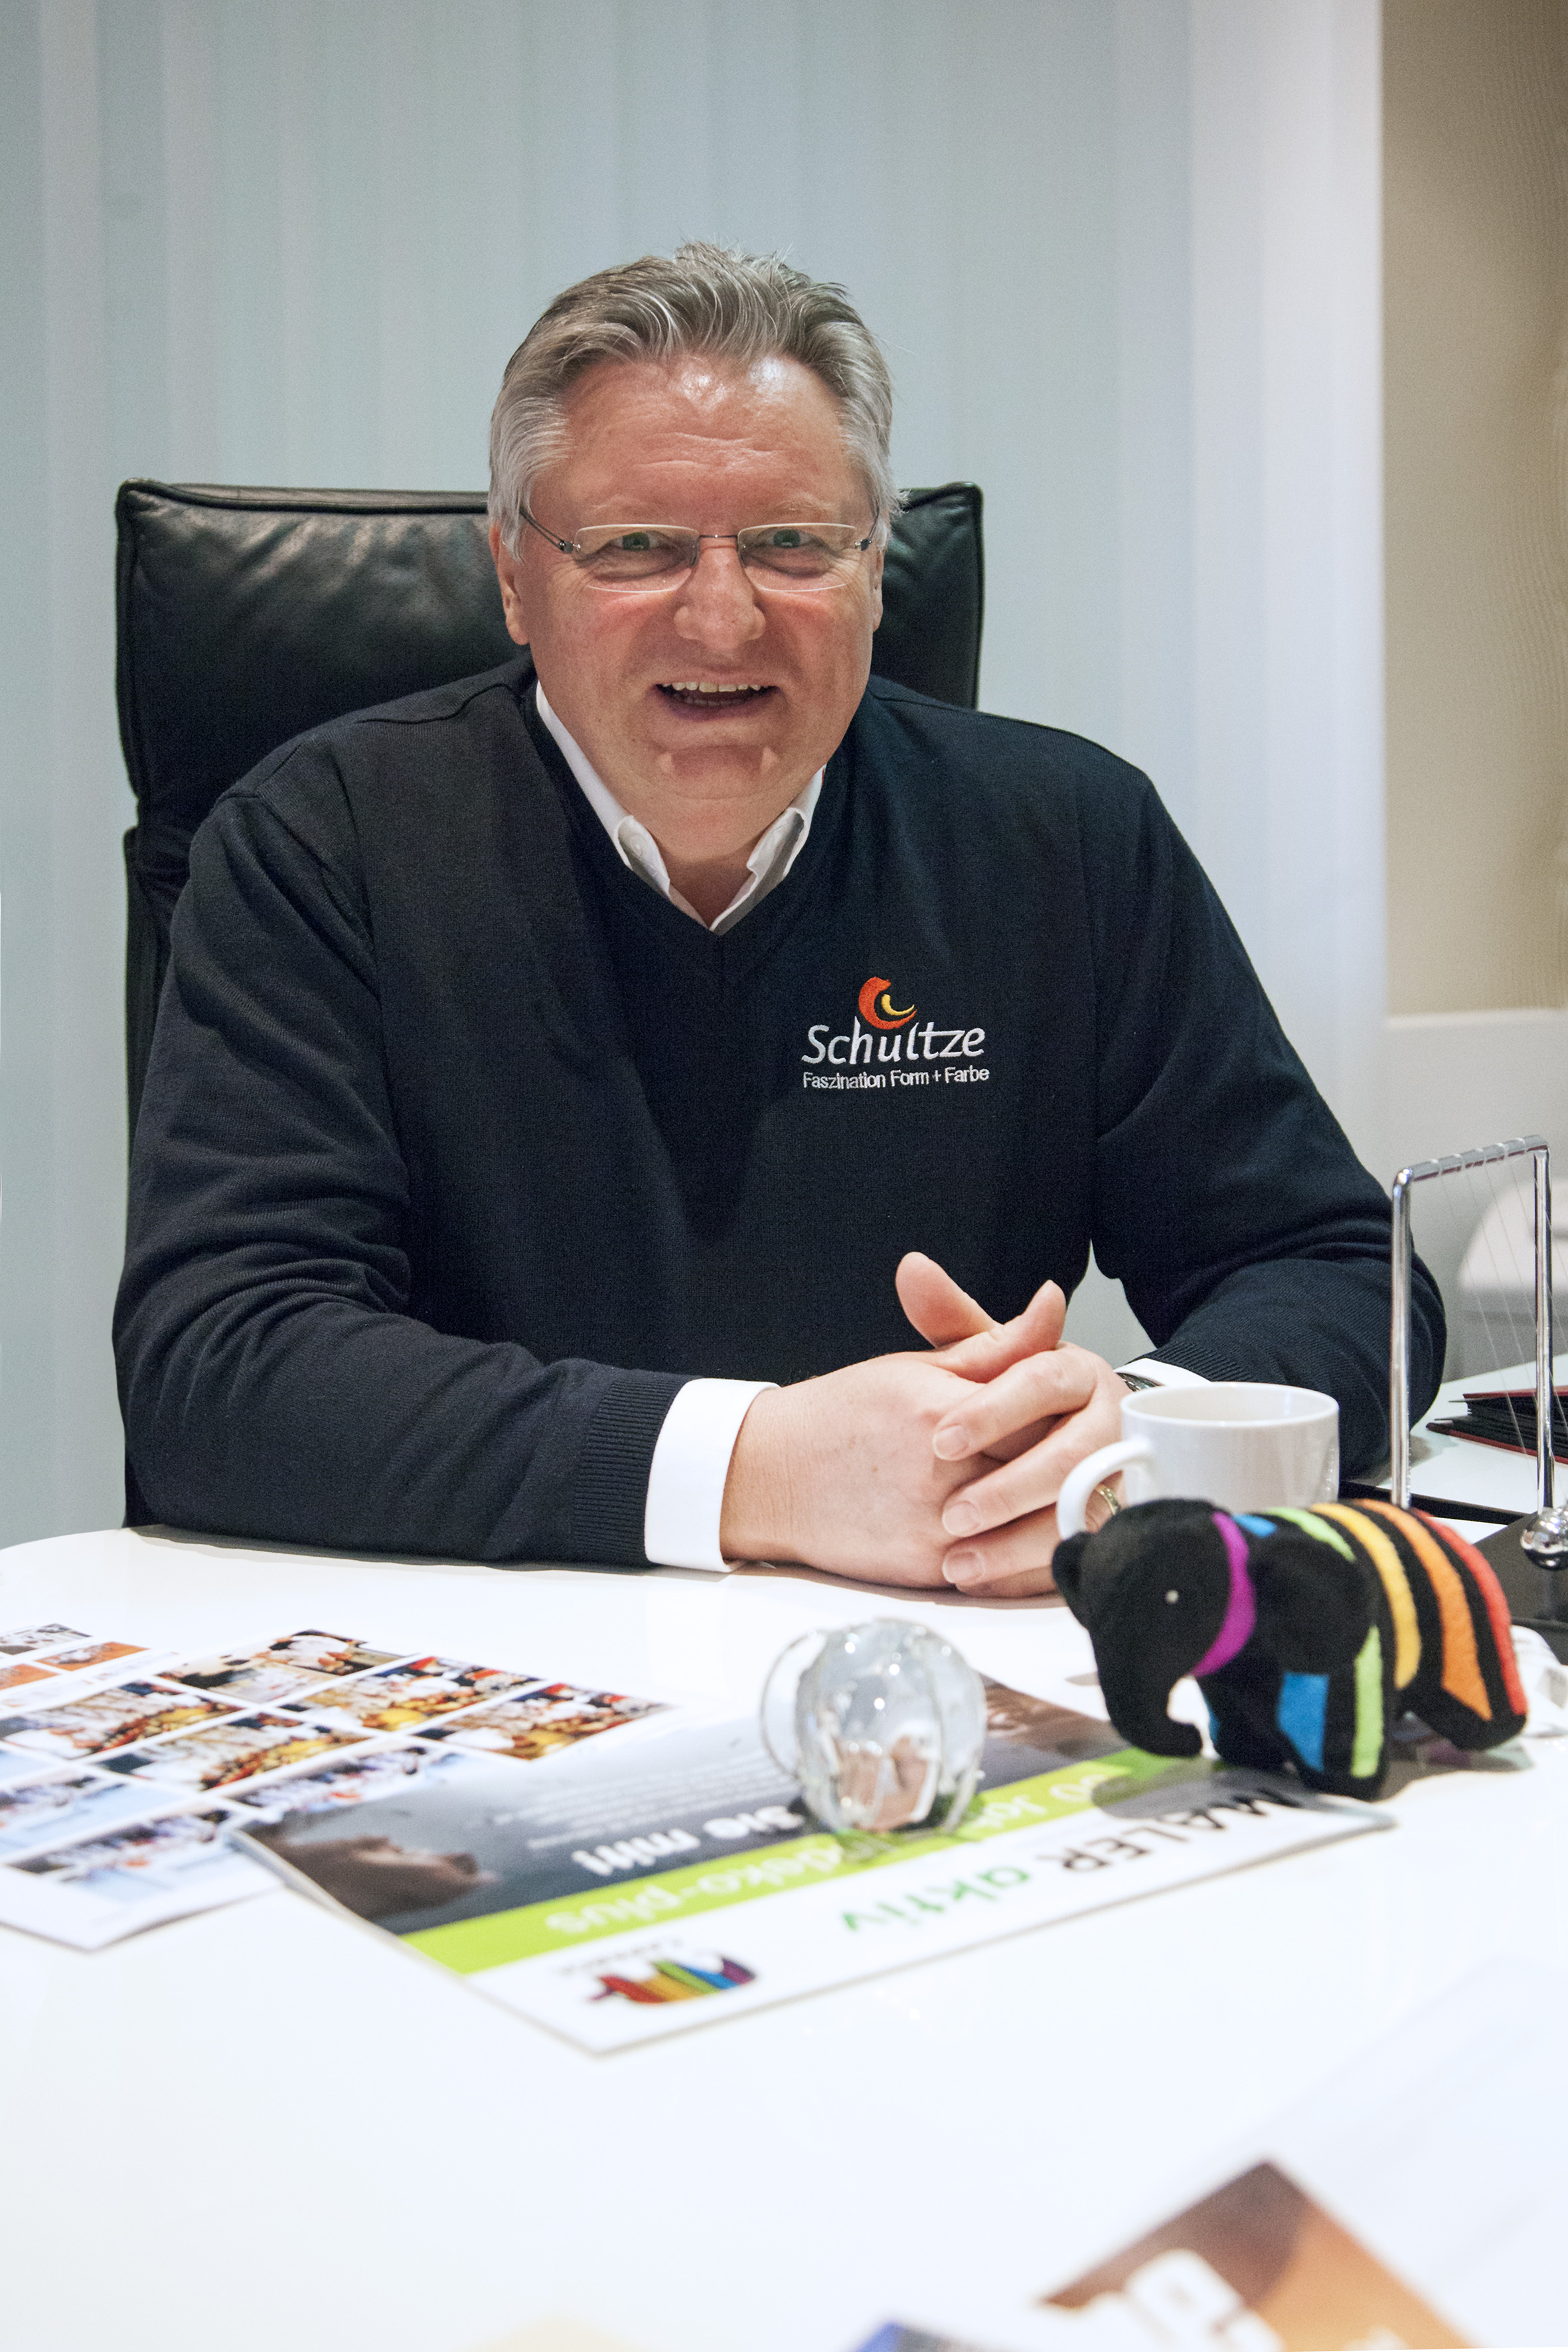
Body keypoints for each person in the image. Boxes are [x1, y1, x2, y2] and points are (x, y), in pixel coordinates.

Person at [114, 244, 1444, 1597]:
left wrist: (1130, 1436)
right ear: (512, 573)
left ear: (876, 567)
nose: (720, 616)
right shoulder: (322, 844)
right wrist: (759, 1465)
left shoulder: (1064, 837)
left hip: (950, 1642)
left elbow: (1338, 1271)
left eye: (792, 544)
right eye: (634, 547)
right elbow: (219, 1363)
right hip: (478, 1648)